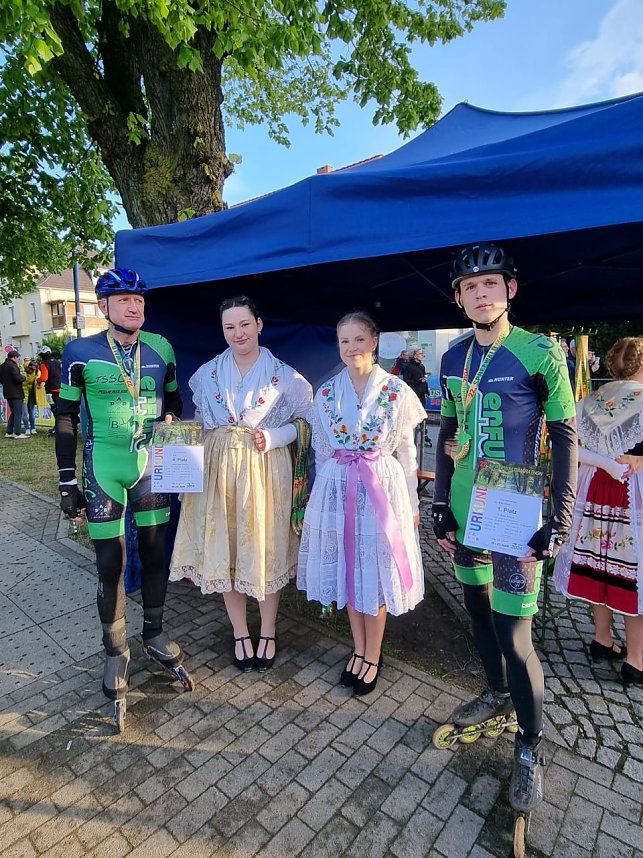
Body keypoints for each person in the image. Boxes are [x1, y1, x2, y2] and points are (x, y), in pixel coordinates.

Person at [432, 243, 577, 815]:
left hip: (516, 515)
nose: (481, 294)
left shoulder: (541, 353)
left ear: (509, 290)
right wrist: (440, 502)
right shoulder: (452, 359)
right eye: (470, 287)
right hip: (469, 509)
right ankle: (494, 695)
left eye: (490, 284)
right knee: (475, 610)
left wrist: (560, 515)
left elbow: (565, 437)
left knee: (516, 635)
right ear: (459, 297)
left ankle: (530, 745)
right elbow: (446, 431)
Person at [55, 267, 190, 730]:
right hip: (103, 469)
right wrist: (67, 481)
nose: (135, 306)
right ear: (104, 307)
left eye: (140, 300)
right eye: (125, 300)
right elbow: (66, 419)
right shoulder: (79, 352)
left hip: (149, 464)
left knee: (155, 553)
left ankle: (153, 633)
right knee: (109, 563)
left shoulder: (162, 347)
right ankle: (115, 651)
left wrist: (172, 421)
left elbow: (173, 402)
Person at [170, 296, 313, 673]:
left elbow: (307, 423)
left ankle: (267, 630)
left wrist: (277, 436)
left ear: (259, 325)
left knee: (264, 549)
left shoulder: (286, 377)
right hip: (218, 472)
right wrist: (176, 436)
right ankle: (239, 632)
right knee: (227, 552)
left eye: (244, 324)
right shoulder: (207, 374)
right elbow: (201, 422)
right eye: (229, 327)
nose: (238, 333)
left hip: (265, 470)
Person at [297, 311, 426, 695]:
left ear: (374, 341)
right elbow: (321, 451)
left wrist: (413, 506)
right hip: (338, 487)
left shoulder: (397, 391)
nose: (351, 348)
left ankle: (374, 652)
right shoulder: (326, 393)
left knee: (375, 567)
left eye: (358, 339)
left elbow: (407, 453)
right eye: (344, 341)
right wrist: (321, 501)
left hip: (381, 490)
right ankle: (358, 647)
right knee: (348, 569)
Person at [554, 337, 643, 687]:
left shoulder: (589, 402)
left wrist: (603, 463)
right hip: (632, 493)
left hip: (593, 493)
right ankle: (636, 659)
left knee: (598, 563)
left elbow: (569, 448)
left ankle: (602, 638)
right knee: (632, 573)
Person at [0, 351, 28, 439]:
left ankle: (9, 432)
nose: (19, 359)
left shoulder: (2, 366)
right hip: (16, 393)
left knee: (13, 412)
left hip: (7, 392)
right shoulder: (12, 366)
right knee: (18, 413)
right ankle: (17, 433)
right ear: (14, 357)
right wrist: (24, 377)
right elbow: (17, 378)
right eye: (18, 358)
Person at [38, 345, 62, 436]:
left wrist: (38, 380)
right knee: (61, 409)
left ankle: (58, 428)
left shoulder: (44, 364)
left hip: (51, 390)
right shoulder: (58, 362)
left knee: (55, 409)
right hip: (61, 388)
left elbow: (44, 377)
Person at [21, 359, 40, 435]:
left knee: (31, 412)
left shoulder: (37, 373)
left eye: (34, 370)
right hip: (23, 394)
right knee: (25, 413)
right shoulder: (23, 373)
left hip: (32, 395)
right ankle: (27, 428)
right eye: (31, 369)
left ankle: (33, 428)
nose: (32, 371)